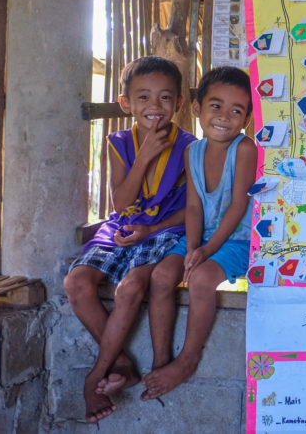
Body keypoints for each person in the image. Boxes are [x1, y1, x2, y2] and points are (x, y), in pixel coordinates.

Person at [63, 56, 195, 423]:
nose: (155, 107)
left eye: (165, 98)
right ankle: (121, 360)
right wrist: (145, 156)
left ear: (179, 104)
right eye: (143, 98)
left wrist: (152, 229)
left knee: (132, 287)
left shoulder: (190, 147)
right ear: (126, 104)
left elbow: (195, 209)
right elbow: (121, 202)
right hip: (122, 225)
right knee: (76, 282)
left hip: (163, 231)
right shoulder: (120, 142)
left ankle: (96, 373)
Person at [142, 66, 256, 400]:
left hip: (236, 238)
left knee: (202, 279)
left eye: (237, 110)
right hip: (202, 236)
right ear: (197, 108)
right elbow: (193, 207)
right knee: (162, 275)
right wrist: (192, 247)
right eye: (216, 106)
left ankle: (188, 359)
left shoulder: (244, 149)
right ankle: (162, 358)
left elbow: (237, 207)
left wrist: (204, 253)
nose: (224, 116)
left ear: (246, 119)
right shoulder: (193, 152)